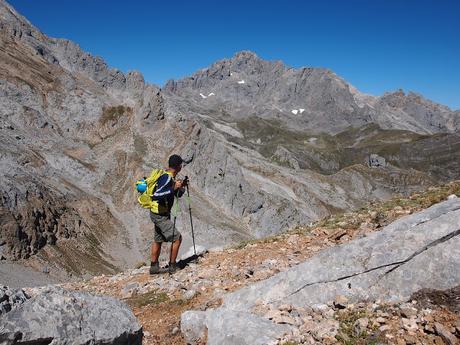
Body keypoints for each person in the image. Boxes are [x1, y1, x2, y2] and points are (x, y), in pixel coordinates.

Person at [149, 154, 187, 274]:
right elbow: (156, 195)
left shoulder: (167, 176)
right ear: (178, 166)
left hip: (159, 213)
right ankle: (172, 266)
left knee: (158, 239)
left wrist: (180, 188)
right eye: (181, 164)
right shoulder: (167, 178)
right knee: (177, 238)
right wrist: (173, 189)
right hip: (159, 214)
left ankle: (154, 267)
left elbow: (172, 193)